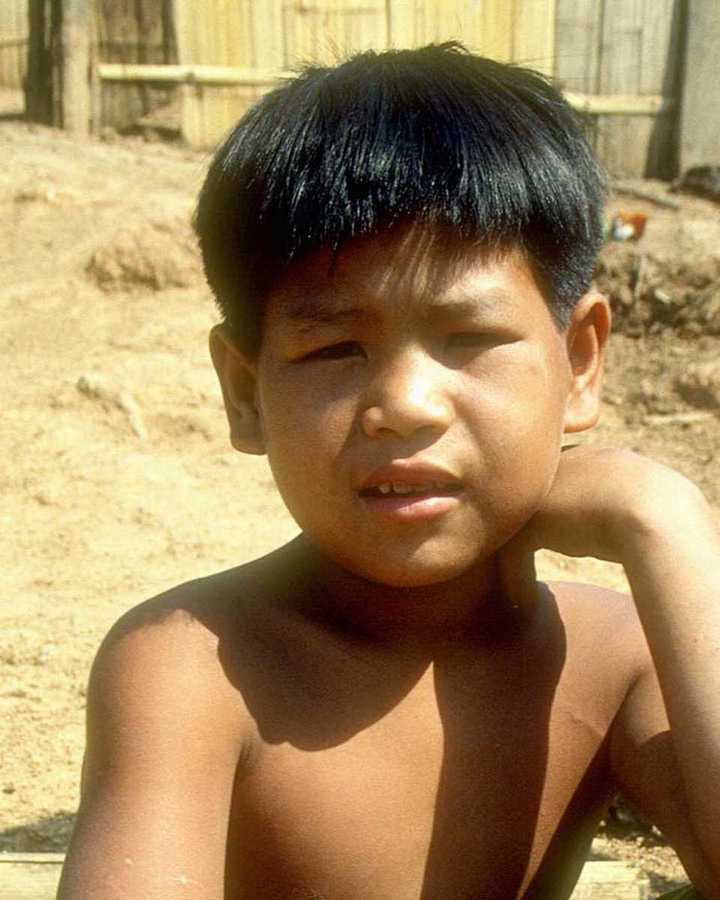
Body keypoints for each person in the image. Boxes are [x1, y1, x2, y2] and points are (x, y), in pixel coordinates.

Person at [58, 44, 718, 899]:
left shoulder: (614, 659)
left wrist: (664, 523)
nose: (404, 406)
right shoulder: (196, 670)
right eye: (335, 349)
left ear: (580, 363)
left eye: (470, 339)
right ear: (246, 393)